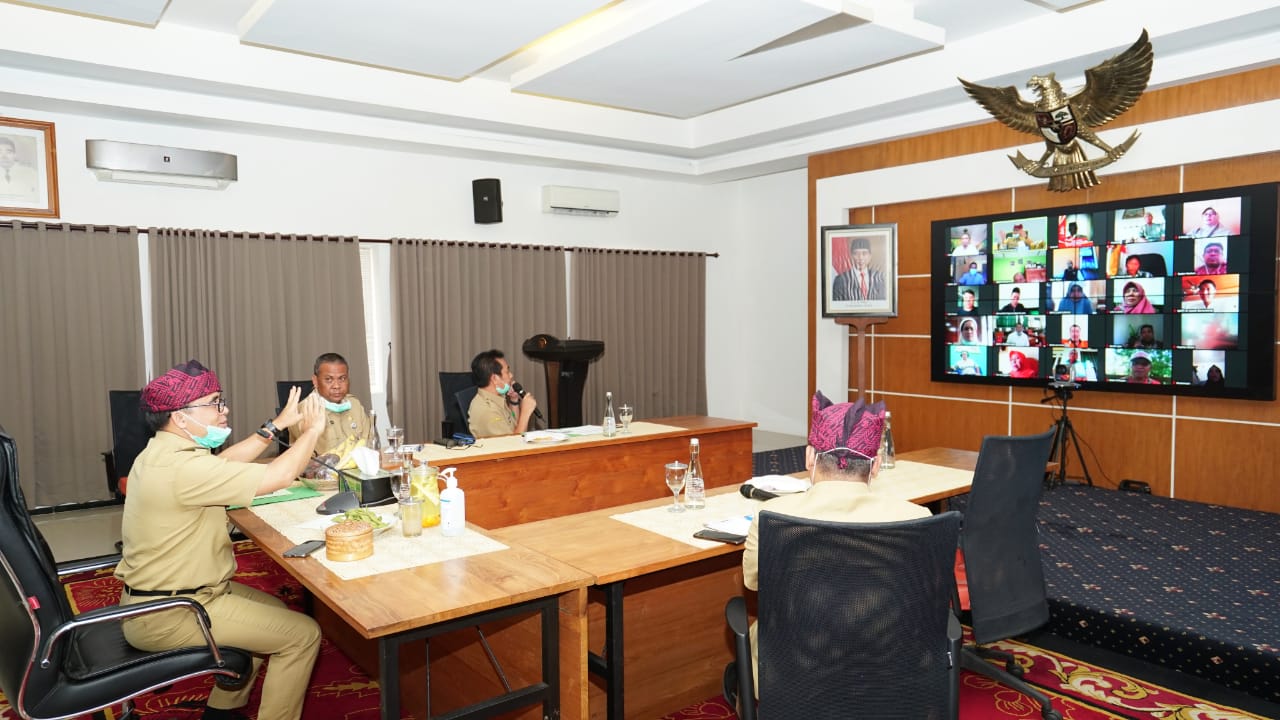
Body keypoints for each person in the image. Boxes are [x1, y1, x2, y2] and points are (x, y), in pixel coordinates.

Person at [116, 360, 325, 720]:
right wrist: (312, 431)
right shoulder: (181, 467)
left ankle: (222, 712)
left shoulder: (162, 452)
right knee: (303, 635)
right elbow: (279, 475)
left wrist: (275, 427)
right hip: (174, 612)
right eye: (213, 403)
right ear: (181, 417)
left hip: (168, 597)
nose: (224, 409)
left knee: (275, 614)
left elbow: (224, 463)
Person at [739, 392, 929, 698]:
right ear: (876, 465)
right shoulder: (917, 518)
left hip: (794, 669)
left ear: (809, 458)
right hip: (887, 664)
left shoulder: (772, 517)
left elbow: (753, 583)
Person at [286, 352, 373, 454]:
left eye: (342, 378)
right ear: (315, 381)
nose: (336, 386)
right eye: (328, 379)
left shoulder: (354, 405)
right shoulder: (305, 411)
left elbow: (370, 443)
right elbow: (320, 457)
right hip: (321, 469)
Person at [467, 348, 538, 437]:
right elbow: (514, 445)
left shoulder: (496, 398)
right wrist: (525, 413)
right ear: (495, 379)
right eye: (507, 372)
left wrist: (514, 401)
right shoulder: (488, 411)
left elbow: (515, 428)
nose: (511, 375)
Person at [0, 136, 40, 202]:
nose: (4, 156)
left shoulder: (31, 173)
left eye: (9, 152)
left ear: (15, 155)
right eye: (0, 152)